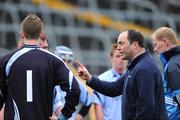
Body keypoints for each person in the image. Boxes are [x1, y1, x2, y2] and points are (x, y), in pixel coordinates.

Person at [0, 14, 80, 120]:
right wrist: (64, 115)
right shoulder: (54, 61)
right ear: (41, 33)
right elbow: (74, 89)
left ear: (22, 34)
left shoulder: (6, 60)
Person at [76, 29, 168, 120]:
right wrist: (89, 78)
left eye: (121, 43)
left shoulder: (143, 69)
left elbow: (146, 108)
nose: (118, 47)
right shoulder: (135, 66)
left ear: (135, 45)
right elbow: (114, 89)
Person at [53, 45, 92, 120]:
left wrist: (79, 116)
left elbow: (88, 101)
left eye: (69, 61)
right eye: (63, 60)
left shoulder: (75, 82)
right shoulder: (49, 80)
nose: (66, 64)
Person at [151, 27, 180, 120]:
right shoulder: (175, 61)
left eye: (155, 44)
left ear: (165, 42)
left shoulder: (173, 66)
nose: (155, 49)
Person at [93, 43, 127, 120]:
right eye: (118, 56)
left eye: (123, 56)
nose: (121, 59)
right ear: (111, 58)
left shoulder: (133, 77)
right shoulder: (101, 79)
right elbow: (98, 107)